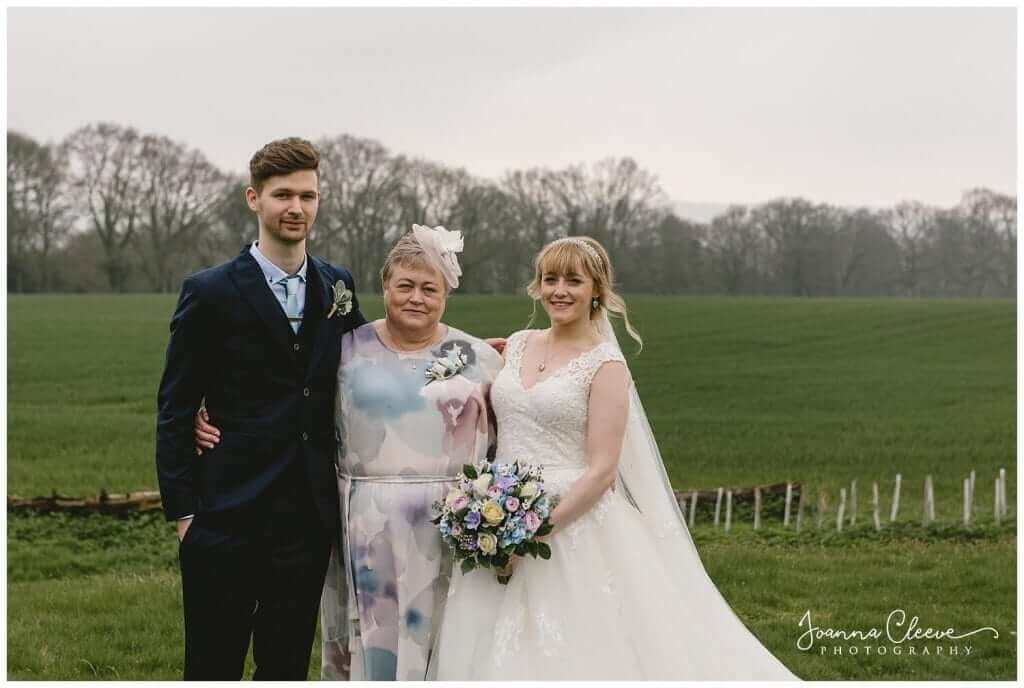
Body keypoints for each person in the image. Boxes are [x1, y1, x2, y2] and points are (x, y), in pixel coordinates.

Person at [427, 236, 800, 680]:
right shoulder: (517, 345)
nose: (559, 290)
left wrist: (529, 536)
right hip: (496, 512)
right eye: (550, 279)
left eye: (573, 281)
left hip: (568, 521)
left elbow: (603, 470)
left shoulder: (605, 366)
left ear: (597, 290)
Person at [194, 226, 503, 680]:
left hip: (450, 523)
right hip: (365, 524)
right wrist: (203, 412)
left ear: (446, 294)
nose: (416, 298)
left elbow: (516, 423)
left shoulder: (481, 357)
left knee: (446, 639)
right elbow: (280, 392)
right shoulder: (345, 348)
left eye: (429, 289)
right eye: (405, 285)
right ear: (384, 286)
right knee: (373, 640)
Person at [155, 137, 367, 680]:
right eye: (282, 195)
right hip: (224, 514)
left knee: (286, 666)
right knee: (212, 666)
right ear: (254, 199)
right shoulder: (209, 292)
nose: (296, 207)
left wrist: (463, 354)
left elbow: (376, 361)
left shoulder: (337, 284)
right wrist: (185, 517)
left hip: (306, 520)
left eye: (307, 196)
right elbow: (175, 407)